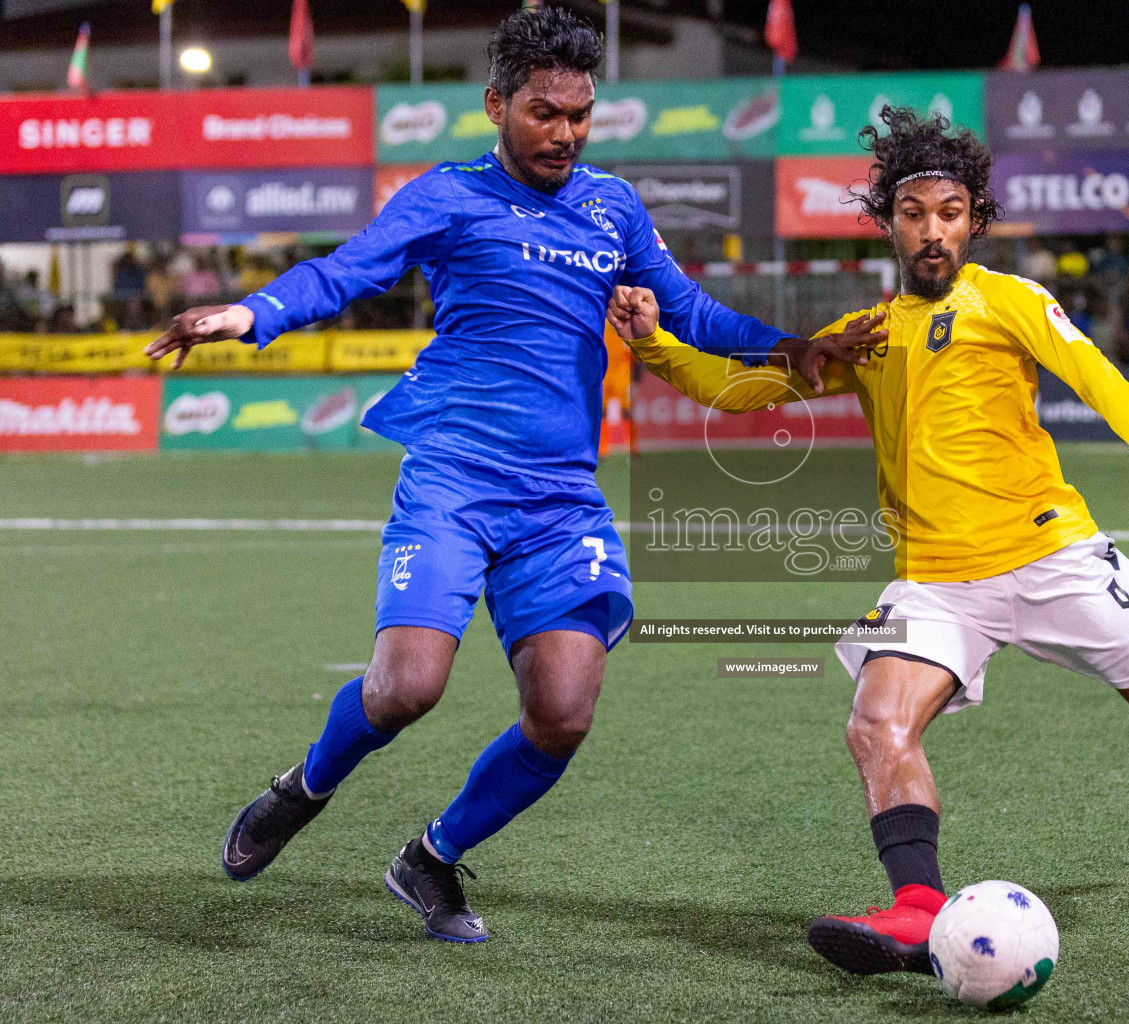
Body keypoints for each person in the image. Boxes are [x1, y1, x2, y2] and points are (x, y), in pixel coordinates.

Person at [144, 7, 874, 945]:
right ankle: (303, 788)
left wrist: (791, 345)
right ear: (497, 105)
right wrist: (250, 315)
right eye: (543, 112)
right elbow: (346, 272)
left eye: (579, 113)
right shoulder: (447, 195)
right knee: (406, 687)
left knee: (563, 713)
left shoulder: (612, 207)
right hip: (454, 475)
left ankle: (431, 857)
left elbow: (689, 309)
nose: (565, 132)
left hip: (559, 498)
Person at [606, 106, 1129, 978]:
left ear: (975, 219)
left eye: (952, 212)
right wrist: (655, 344)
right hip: (933, 581)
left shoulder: (1010, 301)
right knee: (876, 722)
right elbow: (742, 391)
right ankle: (915, 909)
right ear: (888, 221)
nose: (934, 232)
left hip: (1049, 558)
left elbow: (1099, 377)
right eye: (915, 213)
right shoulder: (867, 333)